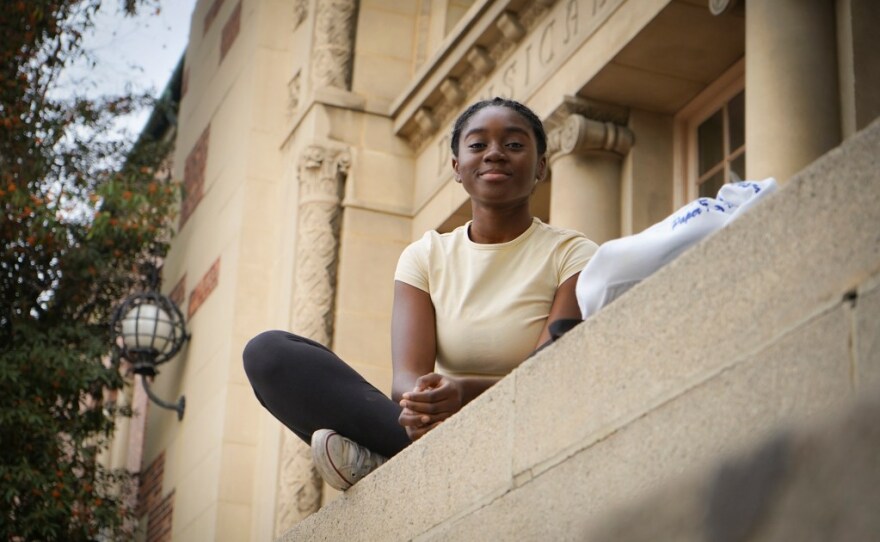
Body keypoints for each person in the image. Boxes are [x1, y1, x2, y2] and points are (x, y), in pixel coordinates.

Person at [242, 97, 598, 491]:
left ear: (541, 166)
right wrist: (424, 402)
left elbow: (549, 371)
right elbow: (407, 381)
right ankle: (404, 455)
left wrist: (462, 391)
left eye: (514, 145)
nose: (495, 154)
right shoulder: (425, 256)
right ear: (456, 168)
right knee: (270, 354)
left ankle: (384, 461)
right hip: (443, 433)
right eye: (478, 145)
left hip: (527, 425)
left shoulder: (573, 253)